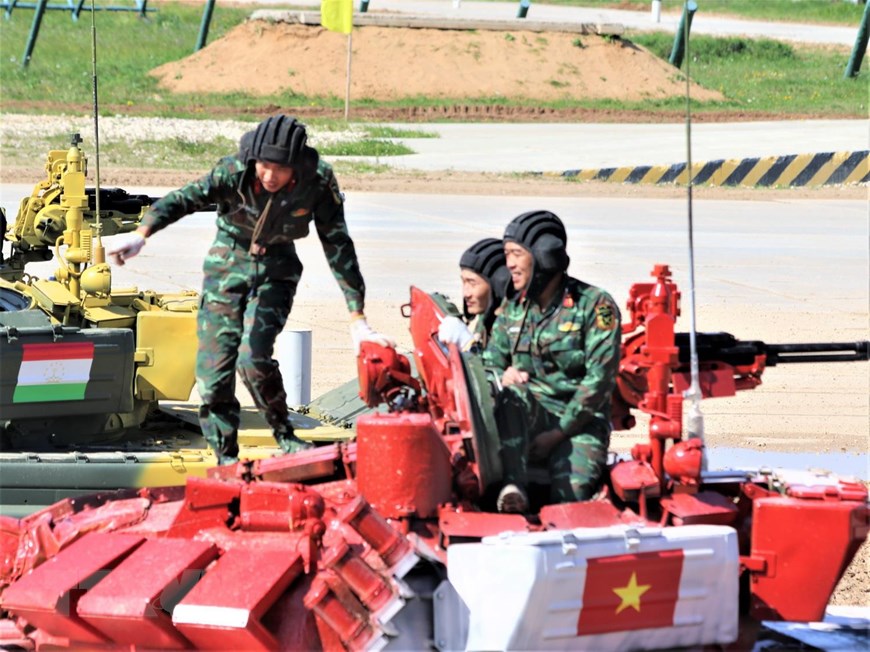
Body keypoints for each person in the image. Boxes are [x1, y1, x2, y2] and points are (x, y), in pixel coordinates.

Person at [107, 114, 394, 465]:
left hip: (277, 270)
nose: (271, 176)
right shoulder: (233, 171)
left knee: (253, 359)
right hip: (227, 266)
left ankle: (285, 434)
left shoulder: (317, 181)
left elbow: (338, 245)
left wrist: (357, 316)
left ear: (296, 165)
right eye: (265, 166)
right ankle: (225, 457)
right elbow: (183, 199)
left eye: (281, 169)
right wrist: (142, 235)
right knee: (214, 371)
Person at [482, 210, 621, 513]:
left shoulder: (594, 305)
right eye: (507, 255)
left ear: (543, 256)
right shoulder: (513, 307)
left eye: (516, 254)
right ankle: (512, 486)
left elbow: (600, 379)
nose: (509, 265)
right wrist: (502, 374)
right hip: (529, 413)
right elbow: (490, 362)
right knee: (511, 396)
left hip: (580, 422)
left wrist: (558, 434)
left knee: (571, 499)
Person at [437, 237, 509, 352]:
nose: (466, 293)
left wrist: (468, 345)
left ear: (497, 285)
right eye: (463, 282)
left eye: (472, 283)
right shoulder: (486, 318)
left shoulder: (517, 325)